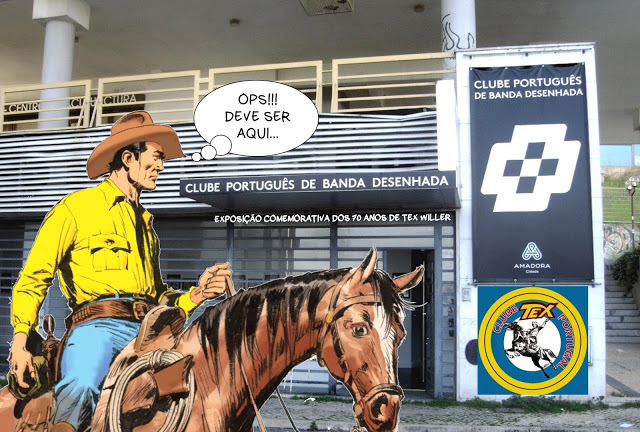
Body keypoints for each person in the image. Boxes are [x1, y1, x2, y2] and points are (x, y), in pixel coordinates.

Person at [8, 111, 232, 432]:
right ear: (128, 159)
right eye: (156, 157)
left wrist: (197, 294)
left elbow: (157, 297)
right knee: (82, 384)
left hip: (150, 332)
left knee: (199, 389)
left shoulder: (147, 227)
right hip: (97, 328)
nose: (161, 166)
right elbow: (33, 278)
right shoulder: (75, 208)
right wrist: (19, 342)